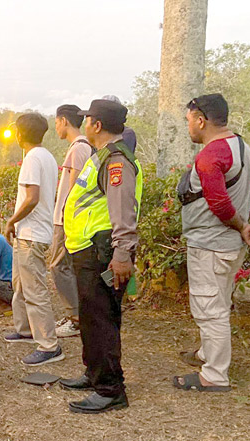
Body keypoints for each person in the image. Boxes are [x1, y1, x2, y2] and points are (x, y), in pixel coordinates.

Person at [173, 93, 250, 392]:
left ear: (201, 120)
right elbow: (248, 195)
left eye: (189, 121)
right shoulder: (241, 147)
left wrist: (240, 225)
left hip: (211, 244)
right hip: (227, 244)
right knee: (219, 301)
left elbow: (219, 203)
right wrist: (244, 227)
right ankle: (206, 353)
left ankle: (213, 375)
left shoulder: (211, 155)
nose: (189, 127)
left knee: (209, 309)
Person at [58, 99, 141, 414]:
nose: (85, 124)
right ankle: (94, 374)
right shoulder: (102, 157)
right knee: (92, 316)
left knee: (101, 318)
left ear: (96, 124)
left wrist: (121, 254)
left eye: (87, 119)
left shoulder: (116, 160)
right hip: (89, 248)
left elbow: (122, 213)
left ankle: (109, 389)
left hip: (103, 249)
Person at [3, 113, 62, 366]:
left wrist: (11, 220)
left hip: (32, 234)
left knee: (35, 289)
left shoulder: (32, 159)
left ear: (18, 134)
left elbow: (32, 198)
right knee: (20, 284)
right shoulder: (45, 156)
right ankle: (25, 329)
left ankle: (49, 345)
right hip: (30, 233)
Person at [50, 104, 94, 338]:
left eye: (56, 122)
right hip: (68, 217)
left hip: (67, 218)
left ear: (64, 121)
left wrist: (67, 218)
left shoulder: (78, 149)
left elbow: (76, 188)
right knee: (65, 266)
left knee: (58, 265)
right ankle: (75, 315)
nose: (55, 127)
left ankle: (76, 318)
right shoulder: (81, 147)